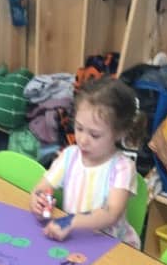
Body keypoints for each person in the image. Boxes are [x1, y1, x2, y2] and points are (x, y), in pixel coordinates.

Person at [29, 76, 146, 249]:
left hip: (113, 248)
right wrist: (38, 202)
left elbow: (111, 213)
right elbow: (40, 188)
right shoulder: (69, 156)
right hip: (75, 241)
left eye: (94, 135)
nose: (83, 140)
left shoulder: (122, 167)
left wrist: (71, 221)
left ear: (119, 133)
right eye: (79, 128)